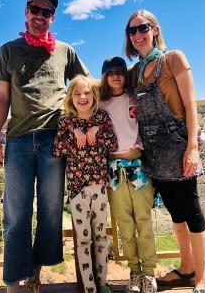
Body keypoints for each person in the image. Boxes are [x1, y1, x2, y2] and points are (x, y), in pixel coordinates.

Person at [0, 0, 90, 293]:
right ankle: (13, 281)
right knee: (16, 214)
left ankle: (34, 273)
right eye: (35, 9)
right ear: (26, 11)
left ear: (52, 17)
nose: (40, 16)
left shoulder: (65, 51)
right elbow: (2, 97)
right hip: (18, 141)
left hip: (55, 141)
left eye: (46, 12)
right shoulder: (8, 50)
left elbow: (85, 85)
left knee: (49, 211)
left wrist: (116, 84)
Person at [124, 9, 205, 293]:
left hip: (179, 147)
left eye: (142, 28)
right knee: (175, 213)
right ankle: (186, 268)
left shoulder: (174, 59)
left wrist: (193, 147)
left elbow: (190, 105)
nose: (137, 34)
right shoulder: (135, 72)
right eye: (132, 31)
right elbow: (109, 88)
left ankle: (201, 278)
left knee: (193, 211)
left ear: (155, 29)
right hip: (153, 152)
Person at [53, 75, 117, 293]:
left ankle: (102, 283)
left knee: (100, 237)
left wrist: (95, 131)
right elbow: (57, 149)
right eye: (77, 93)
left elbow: (112, 143)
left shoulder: (102, 118)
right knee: (83, 240)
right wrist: (74, 132)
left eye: (87, 92)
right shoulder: (66, 122)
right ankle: (89, 287)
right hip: (77, 189)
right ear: (71, 97)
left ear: (94, 95)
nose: (83, 97)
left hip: (99, 186)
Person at [98, 56, 157, 293]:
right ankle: (134, 272)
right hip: (114, 171)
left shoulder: (136, 97)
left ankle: (149, 273)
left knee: (143, 222)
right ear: (104, 76)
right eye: (109, 72)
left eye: (119, 71)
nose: (115, 75)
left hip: (138, 169)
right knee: (124, 226)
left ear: (126, 74)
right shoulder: (99, 104)